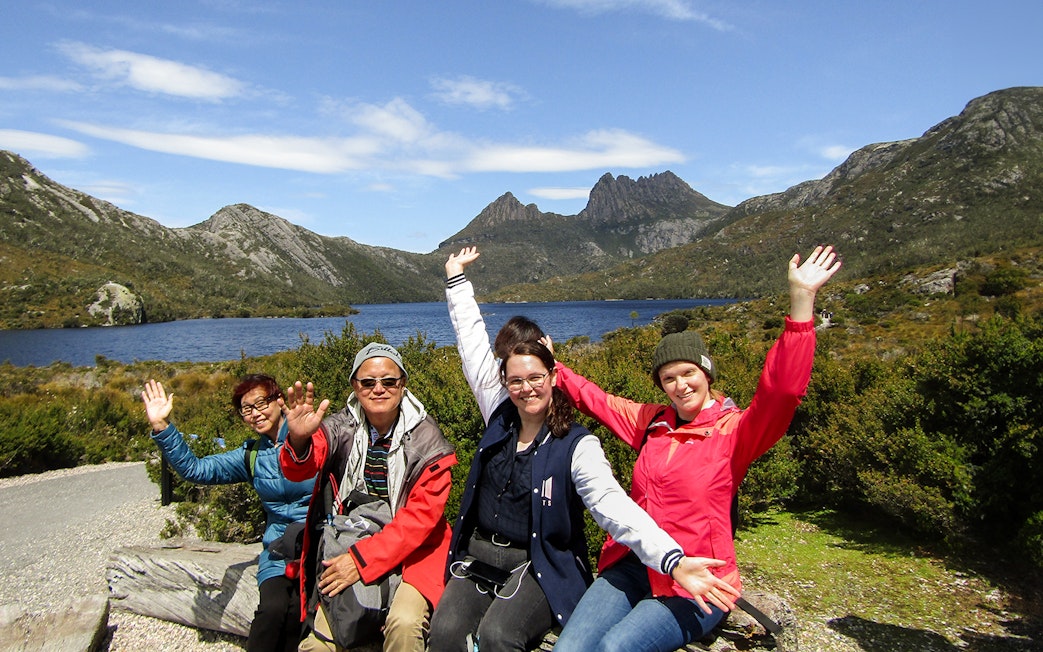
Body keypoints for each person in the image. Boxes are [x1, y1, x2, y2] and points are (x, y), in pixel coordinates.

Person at [428, 247, 741, 652]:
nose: (527, 388)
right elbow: (471, 344)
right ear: (504, 380)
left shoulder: (575, 444)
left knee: (498, 635)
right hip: (480, 552)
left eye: (537, 377)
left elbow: (613, 506)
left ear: (554, 375)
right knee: (445, 632)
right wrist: (456, 282)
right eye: (516, 379)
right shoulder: (501, 413)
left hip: (535, 560)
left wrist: (672, 560)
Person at [549, 245, 842, 652]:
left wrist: (801, 304)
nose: (680, 385)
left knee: (616, 649)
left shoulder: (734, 432)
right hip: (637, 562)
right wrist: (554, 367)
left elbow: (783, 392)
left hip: (700, 579)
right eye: (669, 378)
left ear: (706, 372)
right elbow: (597, 400)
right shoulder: (653, 423)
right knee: (567, 649)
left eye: (688, 372)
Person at [277, 342, 457, 652]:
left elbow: (418, 522)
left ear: (402, 385)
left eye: (389, 381)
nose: (379, 389)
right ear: (354, 386)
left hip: (416, 551)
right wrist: (298, 438)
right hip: (352, 541)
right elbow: (301, 465)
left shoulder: (428, 442)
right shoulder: (340, 427)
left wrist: (359, 562)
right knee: (319, 644)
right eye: (368, 382)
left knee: (403, 624)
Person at [141, 374, 314, 652]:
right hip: (280, 551)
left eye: (261, 403)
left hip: (319, 546)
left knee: (299, 615)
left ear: (280, 400)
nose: (255, 414)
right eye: (247, 409)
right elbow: (195, 470)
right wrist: (162, 426)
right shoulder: (251, 455)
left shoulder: (312, 436)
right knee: (272, 611)